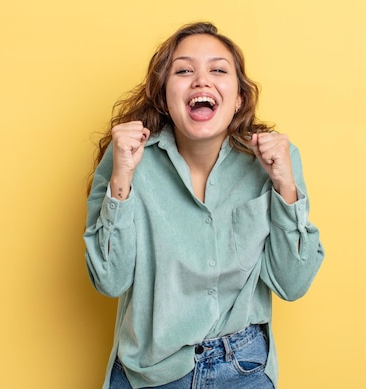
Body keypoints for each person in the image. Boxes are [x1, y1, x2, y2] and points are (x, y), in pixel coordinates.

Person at [84, 22, 324, 389]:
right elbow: (109, 280)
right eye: (183, 70)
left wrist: (285, 187)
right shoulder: (127, 161)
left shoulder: (276, 161)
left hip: (243, 367)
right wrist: (121, 180)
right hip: (150, 372)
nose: (201, 81)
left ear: (239, 97)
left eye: (217, 69)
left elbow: (292, 284)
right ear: (164, 97)